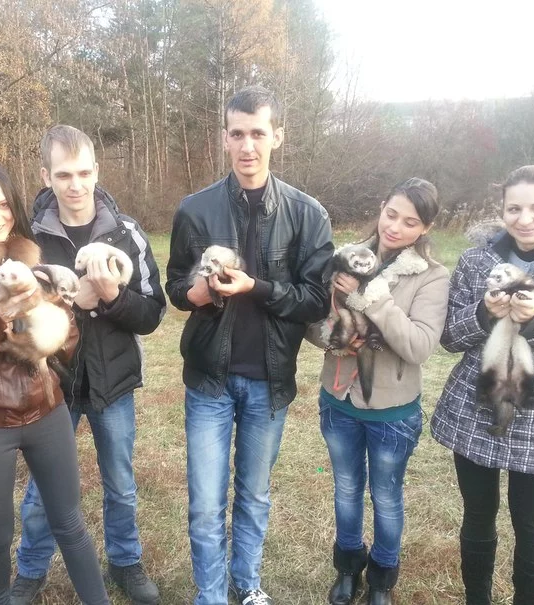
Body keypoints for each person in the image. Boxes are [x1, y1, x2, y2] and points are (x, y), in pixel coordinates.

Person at [165, 86, 334, 605]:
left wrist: (255, 287)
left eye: (258, 133)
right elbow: (175, 286)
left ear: (277, 137)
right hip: (209, 380)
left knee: (254, 495)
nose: (247, 146)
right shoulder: (194, 210)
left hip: (269, 380)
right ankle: (212, 596)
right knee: (205, 503)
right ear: (224, 138)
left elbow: (316, 300)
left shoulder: (307, 214)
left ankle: (247, 583)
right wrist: (196, 292)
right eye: (237, 133)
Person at [0, 159, 109, 605]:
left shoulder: (30, 259)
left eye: (4, 205)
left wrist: (53, 316)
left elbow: (67, 345)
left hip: (46, 411)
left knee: (70, 524)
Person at [430, 165, 534, 605]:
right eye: (514, 208)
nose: (525, 219)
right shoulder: (475, 261)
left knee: (532, 525)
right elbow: (448, 338)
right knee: (477, 516)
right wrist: (484, 314)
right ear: (502, 209)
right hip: (475, 410)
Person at [12, 125, 166, 605]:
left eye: (83, 173)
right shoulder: (28, 239)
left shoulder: (128, 233)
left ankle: (125, 562)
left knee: (120, 483)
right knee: (43, 488)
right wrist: (66, 304)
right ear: (46, 176)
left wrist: (112, 298)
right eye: (63, 175)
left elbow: (153, 314)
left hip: (112, 383)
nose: (75, 185)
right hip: (51, 385)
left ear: (97, 171)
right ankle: (30, 570)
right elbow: (13, 322)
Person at [306, 178, 448, 605]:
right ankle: (348, 569)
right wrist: (334, 339)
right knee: (346, 489)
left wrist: (370, 297)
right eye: (392, 214)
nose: (395, 227)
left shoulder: (432, 276)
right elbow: (312, 323)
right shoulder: (344, 259)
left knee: (386, 497)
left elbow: (419, 347)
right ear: (382, 207)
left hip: (392, 410)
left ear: (425, 228)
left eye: (410, 222)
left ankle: (382, 579)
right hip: (340, 400)